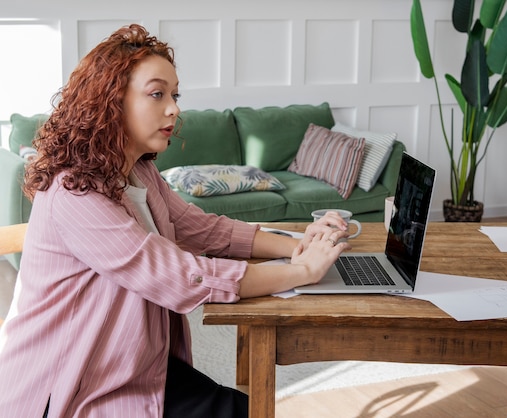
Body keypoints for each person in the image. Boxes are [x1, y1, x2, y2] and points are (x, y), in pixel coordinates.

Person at [0, 24, 352, 417]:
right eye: (156, 94)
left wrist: (299, 244)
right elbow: (180, 275)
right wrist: (300, 271)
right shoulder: (74, 193)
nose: (173, 108)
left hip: (129, 367)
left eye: (174, 94)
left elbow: (203, 228)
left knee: (249, 409)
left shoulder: (138, 172)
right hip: (72, 386)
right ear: (109, 102)